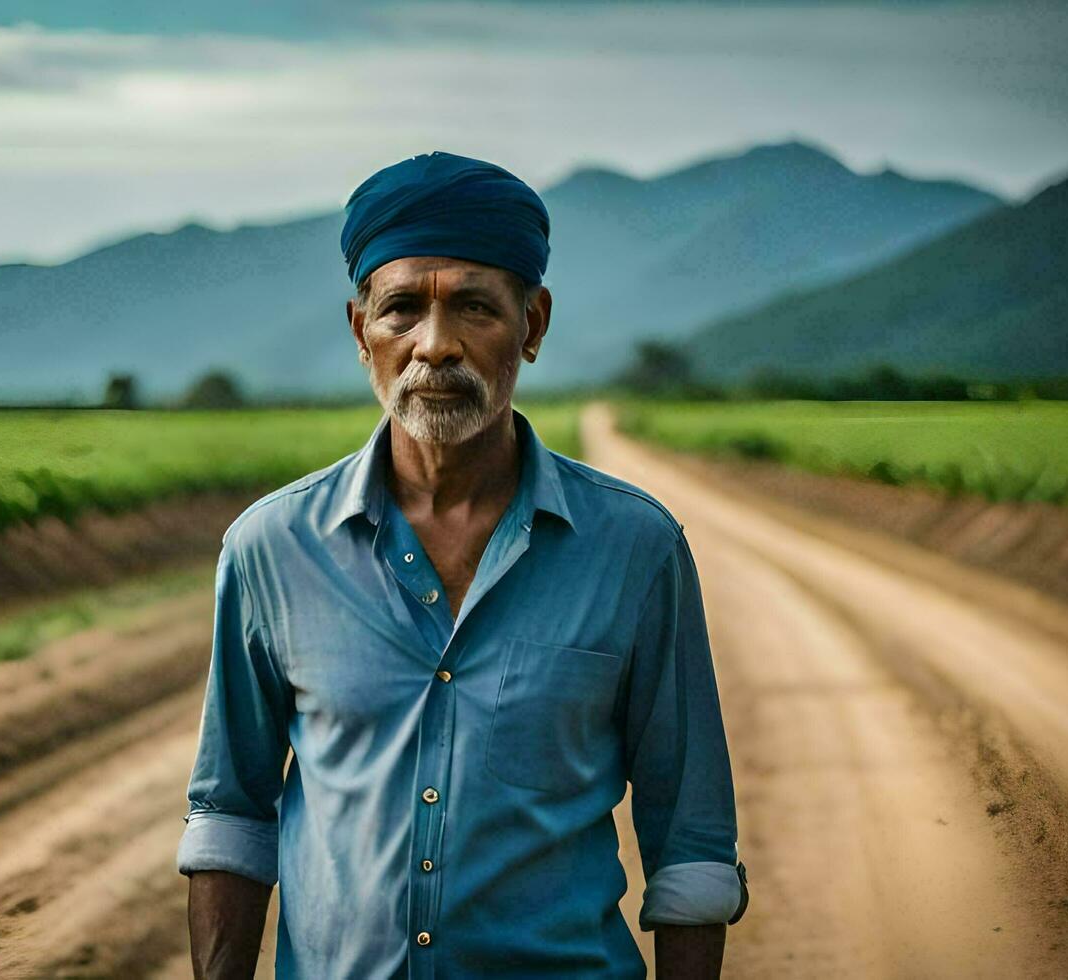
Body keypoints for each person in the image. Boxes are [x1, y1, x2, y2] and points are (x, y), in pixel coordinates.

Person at [176, 150, 747, 979]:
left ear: (534, 324)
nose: (433, 347)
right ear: (359, 331)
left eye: (474, 307)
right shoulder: (271, 547)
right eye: (402, 308)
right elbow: (231, 814)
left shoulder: (635, 547)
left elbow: (689, 840)